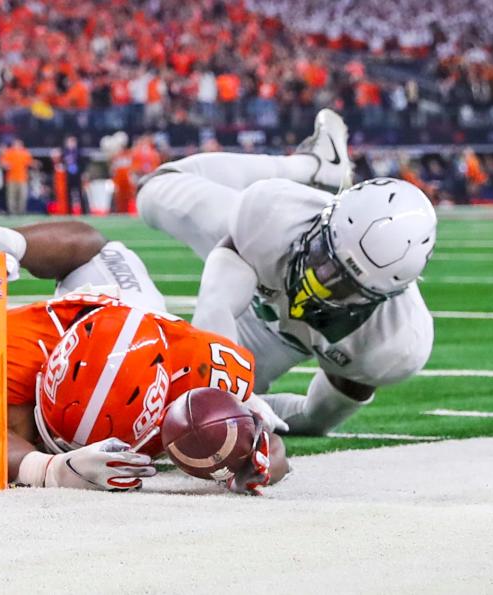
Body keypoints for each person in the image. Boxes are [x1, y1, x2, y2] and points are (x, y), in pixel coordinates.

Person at [0, 200, 289, 493]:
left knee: (108, 249)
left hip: (135, 316)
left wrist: (256, 448)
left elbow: (271, 446)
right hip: (80, 320)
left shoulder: (197, 366)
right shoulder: (22, 353)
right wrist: (49, 467)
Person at [137, 109, 436, 436]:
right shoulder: (275, 214)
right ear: (326, 217)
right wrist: (229, 393)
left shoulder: (393, 344)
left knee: (183, 404)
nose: (321, 279)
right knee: (153, 189)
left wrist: (250, 411)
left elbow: (313, 418)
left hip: (282, 337)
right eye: (326, 256)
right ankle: (313, 166)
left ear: (384, 297)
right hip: (260, 272)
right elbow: (216, 304)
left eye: (345, 286)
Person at [0, 139, 35, 214]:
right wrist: (5, 165)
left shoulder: (25, 153)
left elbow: (30, 162)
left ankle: (21, 212)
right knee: (11, 197)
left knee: (22, 196)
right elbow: (2, 162)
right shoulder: (9, 152)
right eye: (15, 144)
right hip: (11, 178)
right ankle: (12, 212)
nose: (17, 146)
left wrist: (35, 164)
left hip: (22, 178)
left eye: (19, 144)